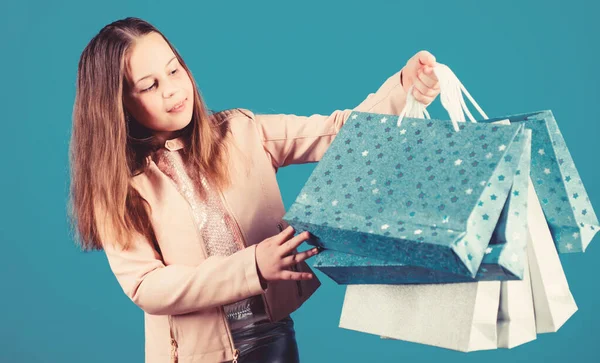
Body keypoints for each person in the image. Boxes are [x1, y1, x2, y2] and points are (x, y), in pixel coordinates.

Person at [68, 16, 440, 363]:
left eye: (174, 69)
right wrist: (253, 265)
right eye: (150, 85)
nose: (172, 90)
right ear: (118, 104)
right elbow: (147, 286)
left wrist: (405, 88)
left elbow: (336, 133)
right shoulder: (120, 187)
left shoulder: (242, 132)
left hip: (273, 337)